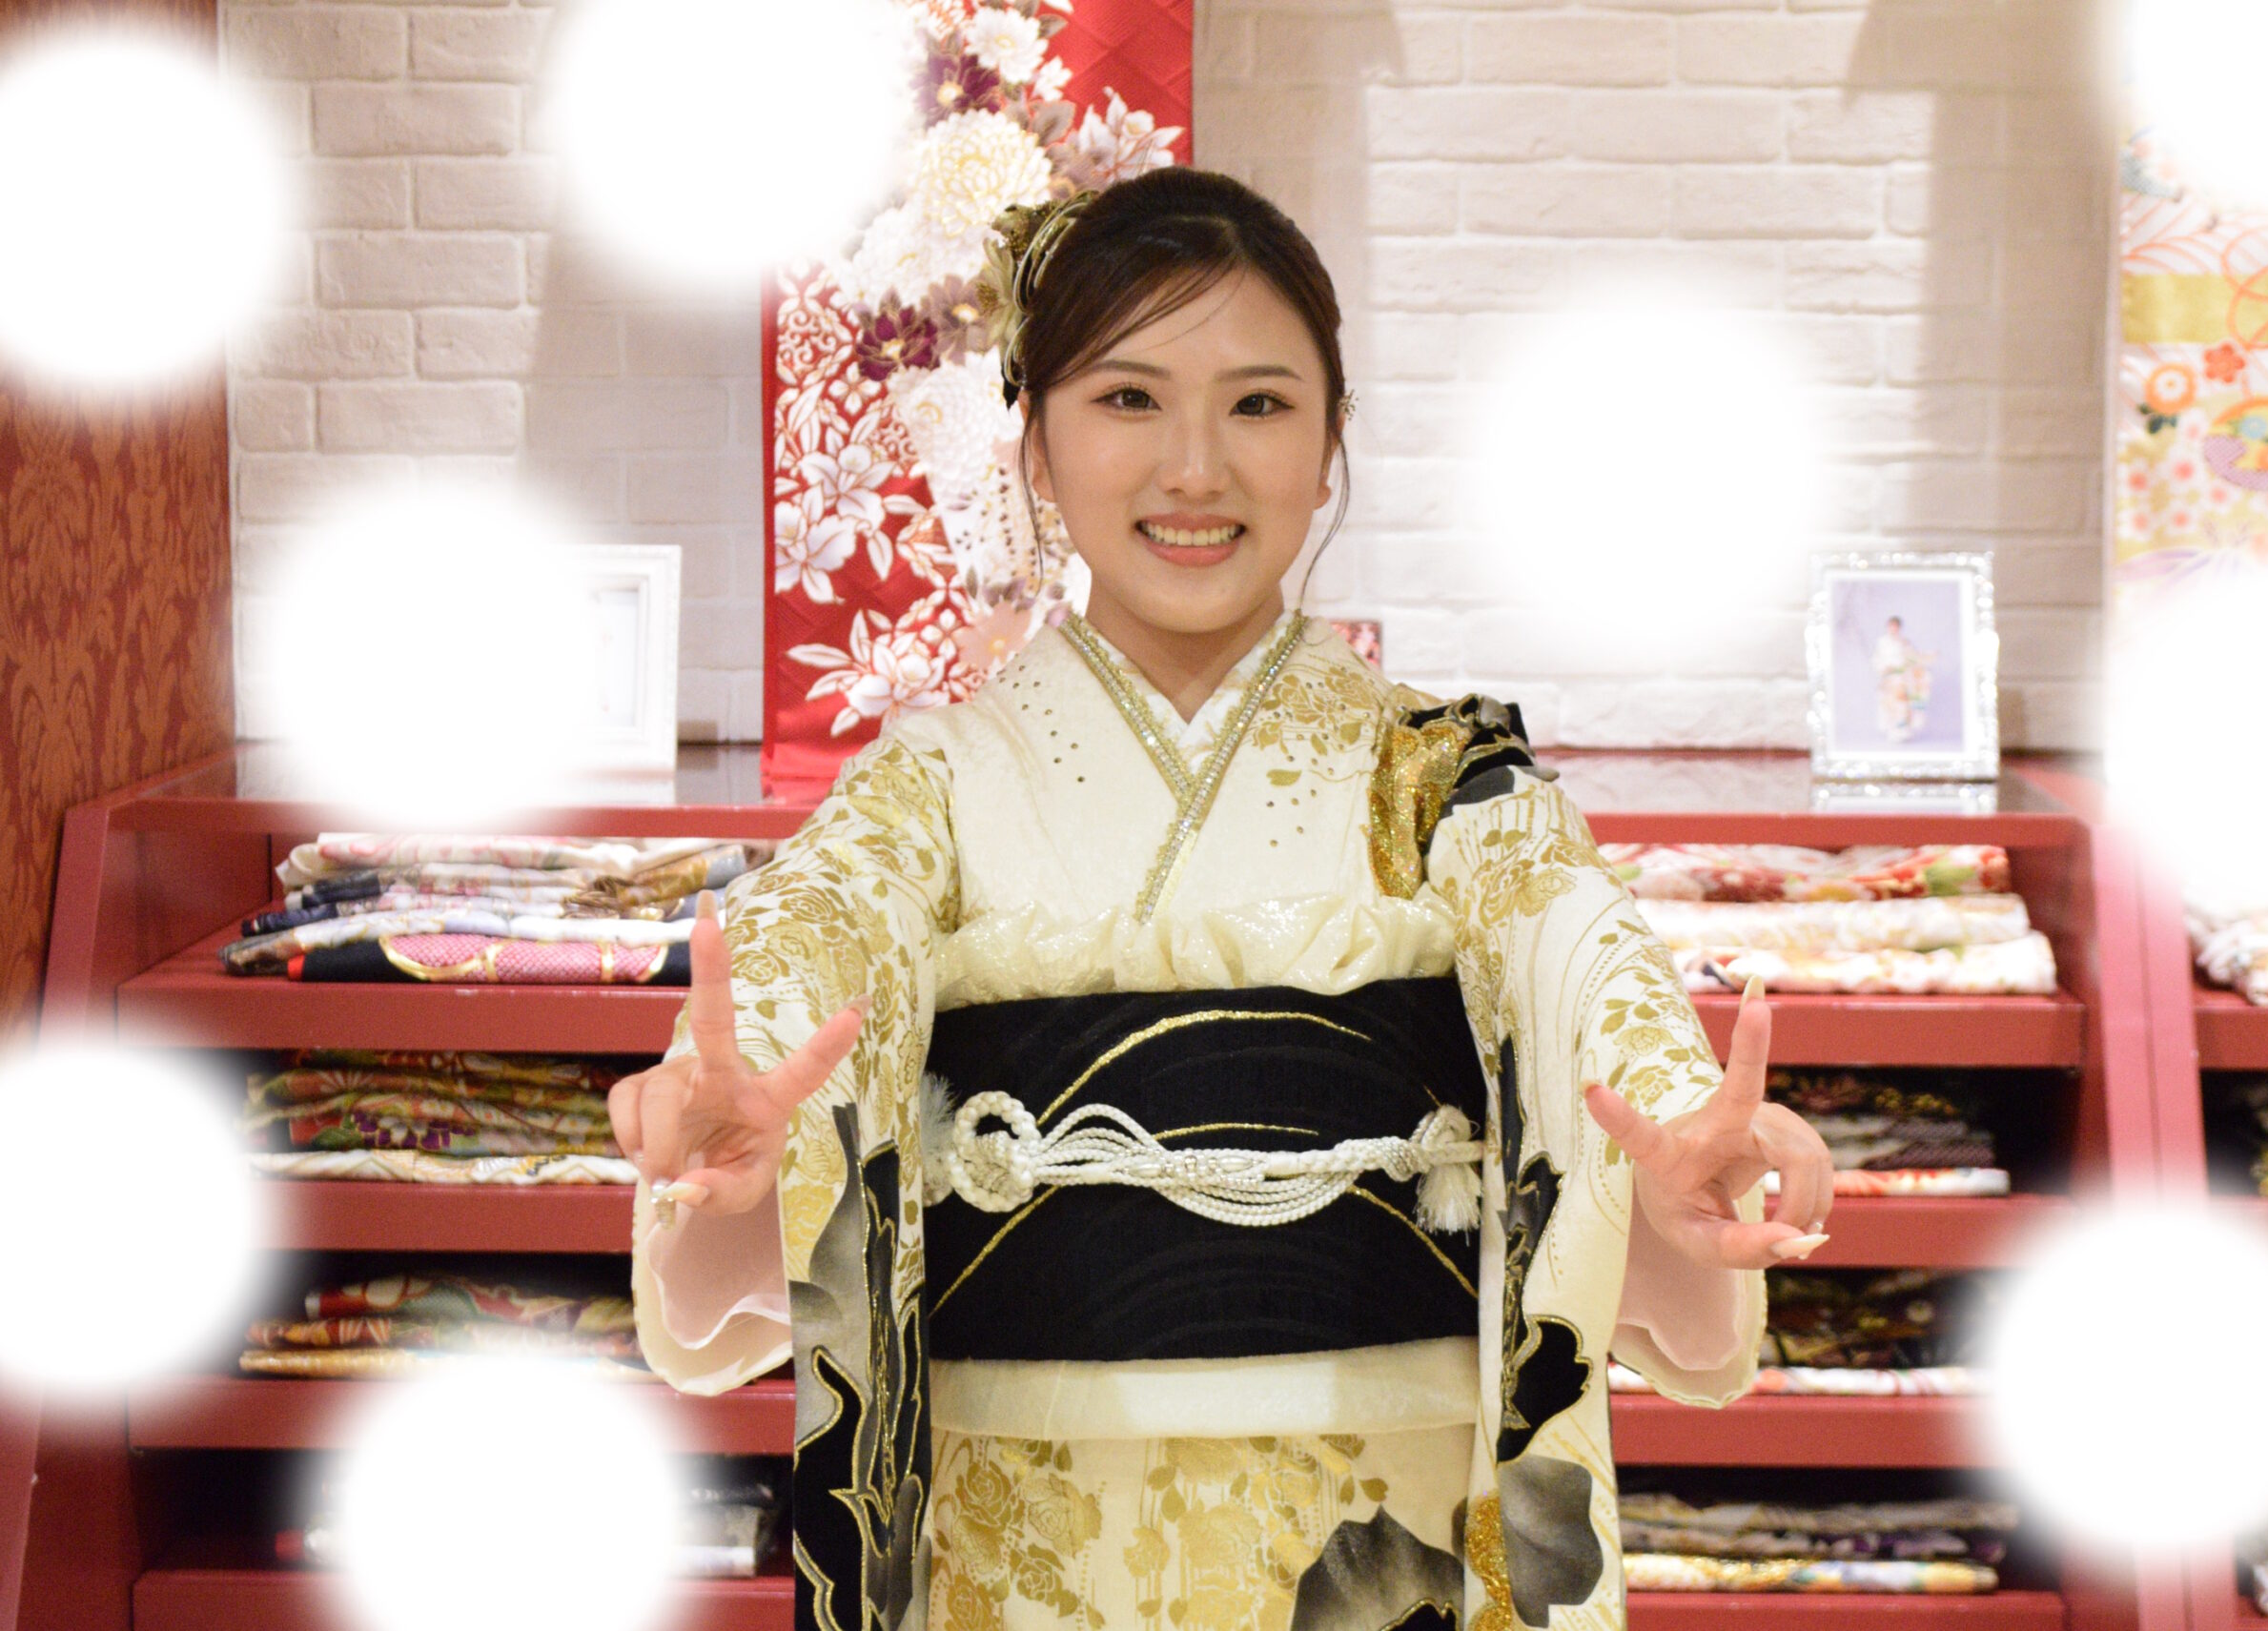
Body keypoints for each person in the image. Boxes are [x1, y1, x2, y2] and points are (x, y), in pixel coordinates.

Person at [610, 167, 1835, 1631]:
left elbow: (1571, 939)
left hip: (1382, 1515)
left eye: (1258, 404)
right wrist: (742, 1090)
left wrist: (1674, 1113)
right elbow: (825, 923)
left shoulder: (1437, 775)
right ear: (1036, 445)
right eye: (1128, 399)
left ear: (1330, 446)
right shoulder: (935, 784)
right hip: (1028, 1532)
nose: (1194, 467)